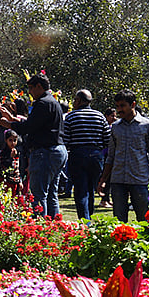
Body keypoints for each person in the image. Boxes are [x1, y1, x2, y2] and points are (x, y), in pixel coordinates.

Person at [0, 74, 66, 217]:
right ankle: (54, 227)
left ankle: (38, 229)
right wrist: (13, 119)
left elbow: (29, 127)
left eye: (31, 88)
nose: (29, 92)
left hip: (45, 151)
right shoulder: (52, 102)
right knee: (51, 194)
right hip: (58, 150)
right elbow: (37, 124)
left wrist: (9, 124)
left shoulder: (42, 103)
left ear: (39, 87)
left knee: (38, 195)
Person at [96, 90, 149, 223]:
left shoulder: (147, 125)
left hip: (139, 180)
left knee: (143, 219)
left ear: (133, 104)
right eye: (117, 106)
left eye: (123, 106)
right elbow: (111, 156)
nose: (119, 110)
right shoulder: (115, 127)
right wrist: (103, 180)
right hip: (118, 180)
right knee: (119, 221)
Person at [60, 89, 109, 219]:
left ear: (80, 100)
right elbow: (107, 139)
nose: (74, 103)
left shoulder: (71, 116)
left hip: (78, 154)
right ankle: (89, 216)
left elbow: (66, 139)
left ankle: (84, 221)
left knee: (80, 190)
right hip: (96, 155)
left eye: (75, 100)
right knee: (91, 189)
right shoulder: (99, 116)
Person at [2, 130, 23, 196]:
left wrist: (20, 181)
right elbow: (4, 166)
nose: (13, 143)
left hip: (15, 181)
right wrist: (11, 157)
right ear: (6, 140)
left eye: (15, 140)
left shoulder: (17, 152)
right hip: (6, 181)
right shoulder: (3, 153)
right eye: (10, 140)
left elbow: (18, 168)